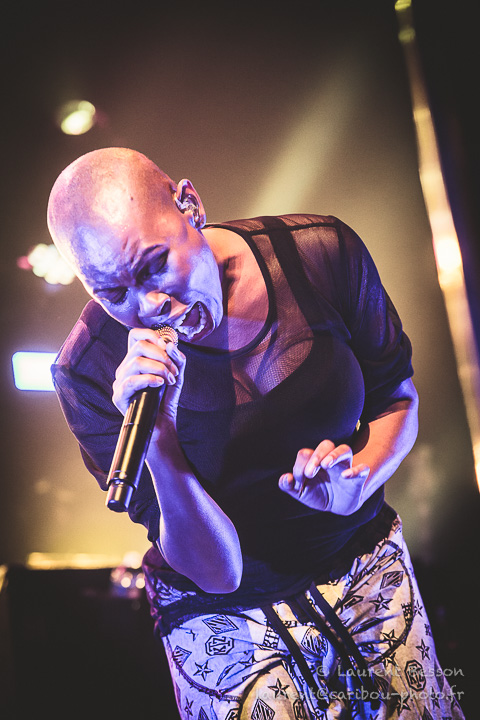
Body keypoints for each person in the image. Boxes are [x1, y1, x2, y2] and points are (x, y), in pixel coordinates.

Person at [48, 147, 465, 720]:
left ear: (189, 204)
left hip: (359, 557)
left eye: (154, 265)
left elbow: (398, 396)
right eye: (112, 293)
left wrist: (359, 480)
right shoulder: (88, 371)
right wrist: (161, 439)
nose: (149, 305)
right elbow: (218, 573)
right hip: (221, 613)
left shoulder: (318, 253)